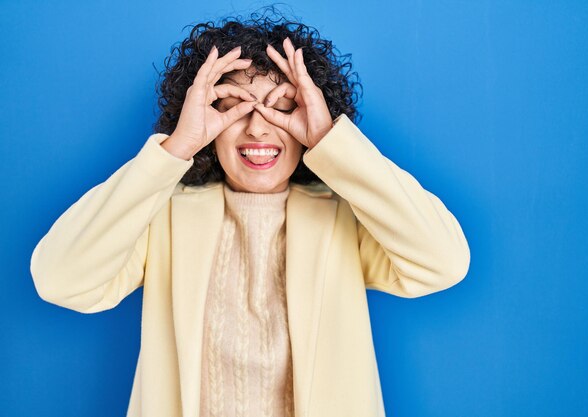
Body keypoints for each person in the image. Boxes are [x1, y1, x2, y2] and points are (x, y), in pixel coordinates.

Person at [30, 7, 471, 417]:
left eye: (282, 108)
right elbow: (61, 280)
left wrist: (330, 141)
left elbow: (443, 263)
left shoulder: (346, 221)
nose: (258, 126)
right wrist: (176, 148)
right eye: (233, 108)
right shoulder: (161, 220)